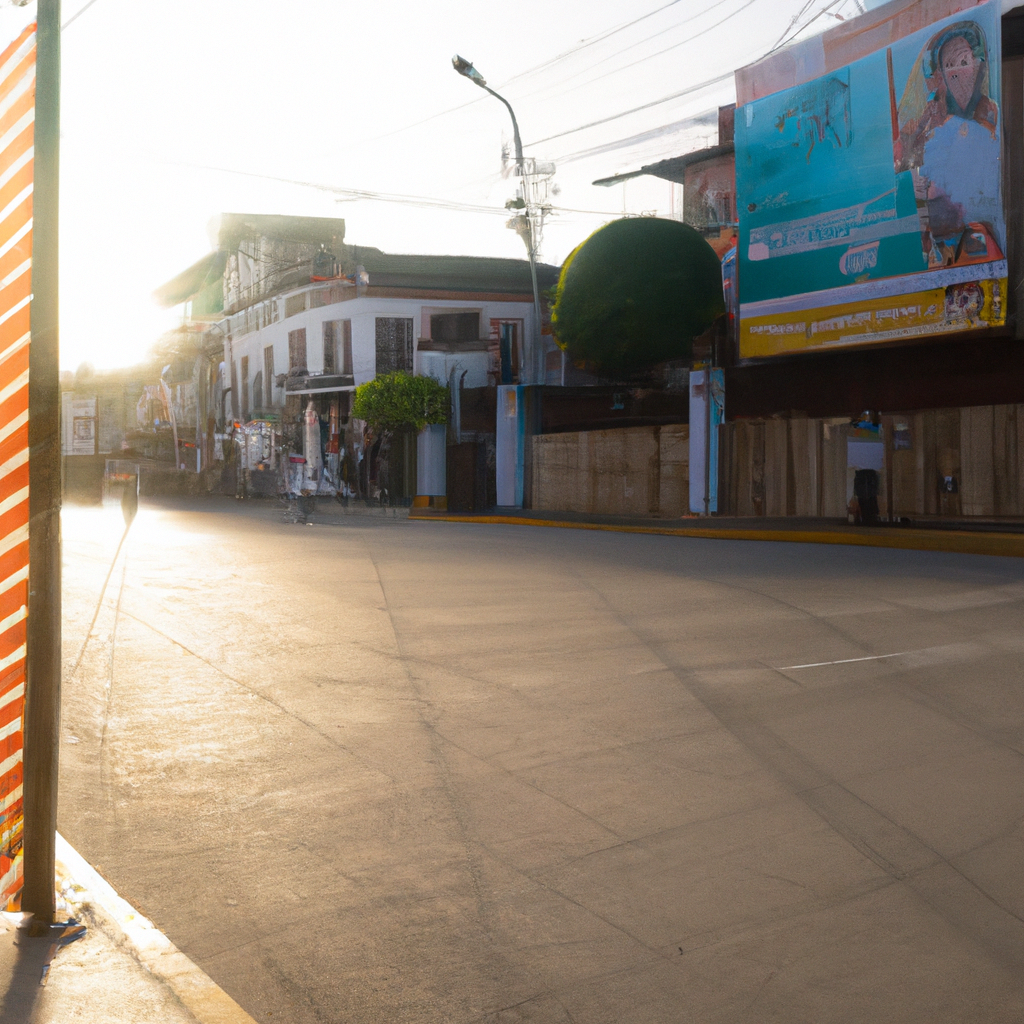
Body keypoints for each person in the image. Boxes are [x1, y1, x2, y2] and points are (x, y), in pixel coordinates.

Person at [893, 21, 1002, 267]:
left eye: (964, 62)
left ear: (978, 66)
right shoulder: (932, 121)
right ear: (940, 75)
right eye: (949, 66)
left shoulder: (992, 115)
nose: (956, 73)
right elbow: (903, 159)